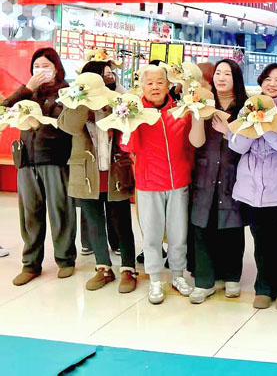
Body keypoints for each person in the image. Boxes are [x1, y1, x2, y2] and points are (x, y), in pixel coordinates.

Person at [120, 64, 201, 304]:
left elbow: (191, 147)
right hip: (149, 184)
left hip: (179, 183)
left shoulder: (180, 112)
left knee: (178, 235)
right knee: (152, 236)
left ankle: (178, 275)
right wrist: (129, 121)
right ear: (142, 87)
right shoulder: (135, 114)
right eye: (149, 83)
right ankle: (155, 279)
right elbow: (128, 147)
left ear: (168, 86)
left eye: (159, 82)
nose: (155, 87)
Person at [229, 64, 277, 310]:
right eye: (268, 79)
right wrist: (253, 119)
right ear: (261, 82)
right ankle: (263, 287)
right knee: (260, 241)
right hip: (251, 188)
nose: (272, 84)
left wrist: (261, 124)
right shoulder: (249, 107)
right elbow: (237, 146)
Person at [57, 69, 137, 293]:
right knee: (93, 222)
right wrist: (82, 103)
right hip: (86, 173)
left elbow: (129, 130)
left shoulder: (117, 104)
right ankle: (103, 267)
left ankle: (128, 268)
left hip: (115, 171)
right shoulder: (73, 107)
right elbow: (70, 128)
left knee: (121, 222)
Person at [3, 48, 76, 286]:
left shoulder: (66, 93)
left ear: (57, 68)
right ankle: (30, 263)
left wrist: (38, 123)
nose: (41, 71)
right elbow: (5, 107)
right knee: (30, 214)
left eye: (46, 66)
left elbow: (67, 127)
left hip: (55, 159)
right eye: (36, 66)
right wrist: (27, 88)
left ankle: (65, 259)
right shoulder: (28, 93)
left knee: (60, 211)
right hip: (26, 160)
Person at [185, 59, 248, 304]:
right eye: (218, 73)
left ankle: (232, 277)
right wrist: (197, 114)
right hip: (205, 172)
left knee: (232, 226)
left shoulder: (245, 108)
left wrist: (228, 130)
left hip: (234, 173)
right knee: (203, 225)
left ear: (236, 79)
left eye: (227, 74)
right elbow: (196, 142)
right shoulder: (204, 103)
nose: (221, 78)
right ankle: (204, 282)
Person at [78, 60, 123, 257]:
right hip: (89, 164)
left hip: (113, 162)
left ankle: (117, 242)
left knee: (114, 207)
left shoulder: (118, 100)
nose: (109, 78)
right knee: (90, 208)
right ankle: (91, 245)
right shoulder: (80, 103)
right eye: (105, 75)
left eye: (110, 74)